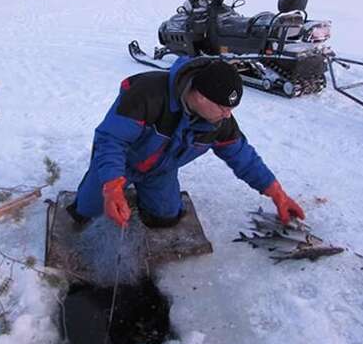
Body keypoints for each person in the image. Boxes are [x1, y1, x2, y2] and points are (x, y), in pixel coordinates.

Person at [69, 56, 305, 228]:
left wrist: (277, 194)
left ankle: (146, 199)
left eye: (232, 108)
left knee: (165, 218)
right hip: (121, 164)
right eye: (223, 107)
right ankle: (100, 190)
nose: (227, 115)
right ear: (200, 97)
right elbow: (111, 140)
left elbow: (243, 157)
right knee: (87, 213)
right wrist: (111, 186)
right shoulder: (147, 94)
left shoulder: (218, 122)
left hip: (161, 172)